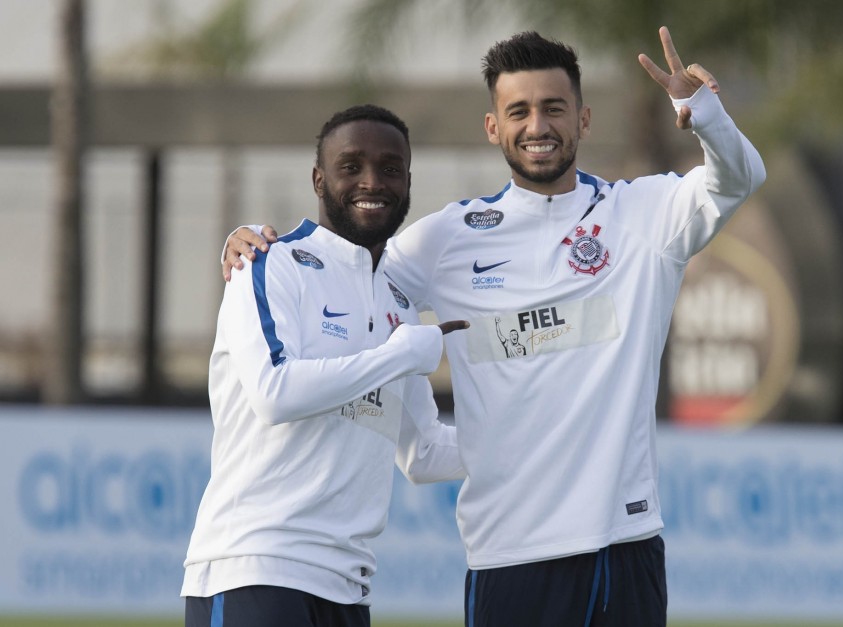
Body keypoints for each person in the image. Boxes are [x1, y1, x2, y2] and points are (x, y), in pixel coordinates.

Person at [223, 27, 765, 627]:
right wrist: (254, 245)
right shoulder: (446, 237)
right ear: (493, 127)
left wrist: (706, 113)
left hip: (623, 540)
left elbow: (737, 180)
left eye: (554, 108)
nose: (538, 126)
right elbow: (353, 270)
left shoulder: (644, 215)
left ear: (583, 120)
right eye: (519, 111)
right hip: (507, 554)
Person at [183, 104, 468, 627]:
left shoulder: (401, 303)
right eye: (351, 165)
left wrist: (538, 435)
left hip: (346, 587)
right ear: (318, 178)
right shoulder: (268, 263)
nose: (371, 181)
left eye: (389, 168)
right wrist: (398, 354)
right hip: (255, 569)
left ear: (408, 181)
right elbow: (275, 394)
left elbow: (424, 451)